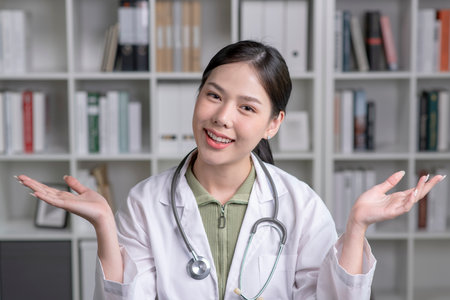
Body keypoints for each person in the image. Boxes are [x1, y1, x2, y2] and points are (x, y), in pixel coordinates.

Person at [17, 40, 444, 300]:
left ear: (273, 123)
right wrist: (106, 228)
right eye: (213, 96)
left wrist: (356, 228)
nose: (222, 117)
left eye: (247, 107)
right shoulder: (146, 201)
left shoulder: (299, 203)